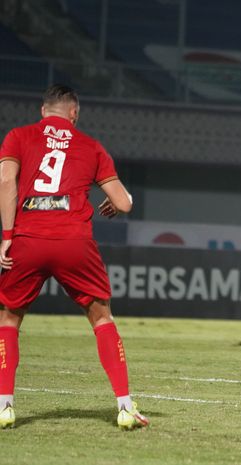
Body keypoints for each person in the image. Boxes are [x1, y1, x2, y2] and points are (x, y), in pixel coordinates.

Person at [0, 85, 148, 430]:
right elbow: (124, 202)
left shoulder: (18, 136)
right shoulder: (91, 147)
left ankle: (4, 405)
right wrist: (115, 198)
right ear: (74, 114)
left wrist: (6, 237)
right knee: (101, 318)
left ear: (43, 111)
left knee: (8, 320)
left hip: (27, 238)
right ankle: (125, 407)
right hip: (74, 242)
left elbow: (7, 182)